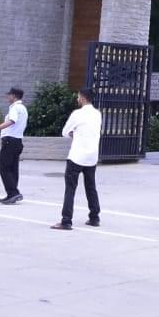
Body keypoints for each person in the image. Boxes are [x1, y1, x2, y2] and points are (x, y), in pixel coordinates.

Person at [52, 88, 102, 230]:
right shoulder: (97, 114)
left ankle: (66, 220)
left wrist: (75, 134)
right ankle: (94, 217)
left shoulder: (77, 114)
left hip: (77, 156)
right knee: (91, 187)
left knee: (70, 189)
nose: (77, 99)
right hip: (92, 156)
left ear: (83, 98)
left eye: (78, 97)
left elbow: (65, 132)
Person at [0, 87, 28, 204]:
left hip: (9, 141)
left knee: (4, 168)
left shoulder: (15, 107)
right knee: (13, 169)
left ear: (14, 96)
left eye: (9, 94)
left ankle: (13, 193)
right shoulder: (23, 108)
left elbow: (11, 121)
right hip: (17, 141)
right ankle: (12, 194)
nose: (7, 96)